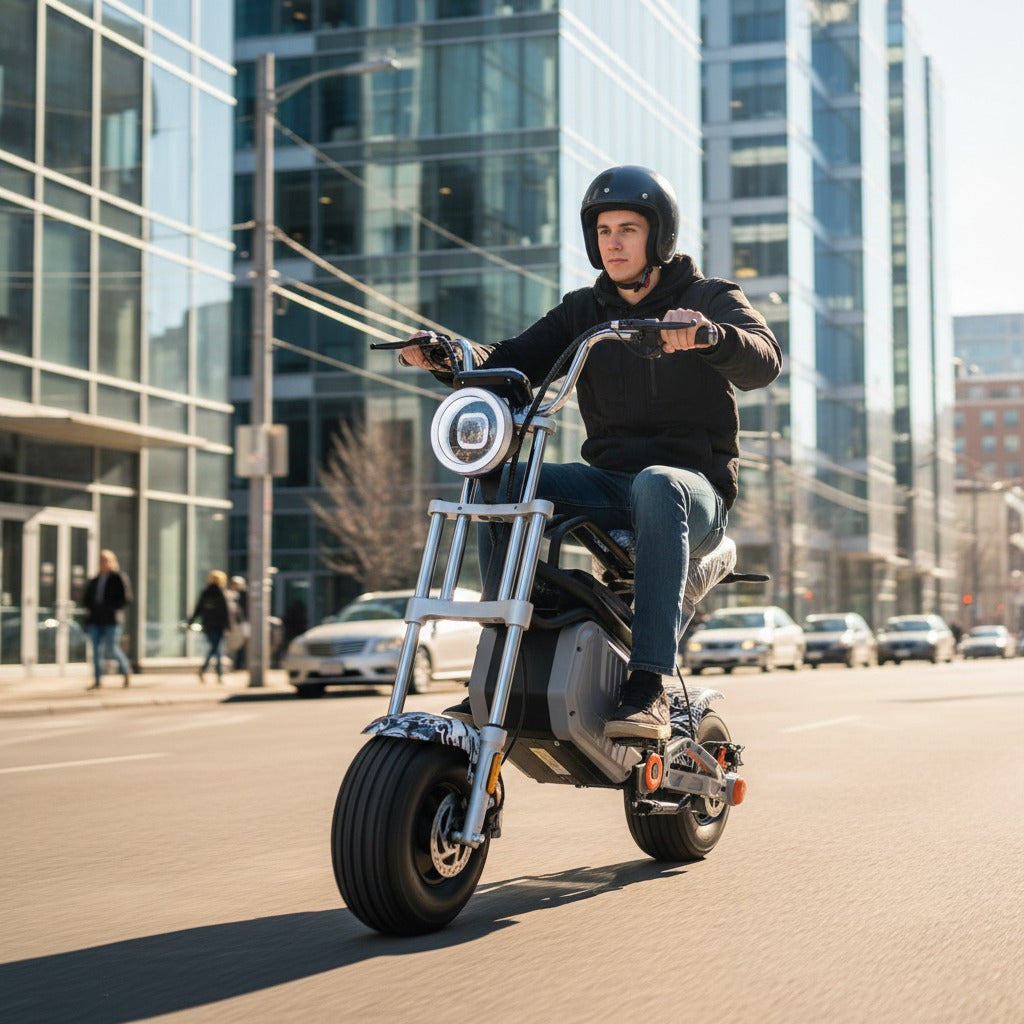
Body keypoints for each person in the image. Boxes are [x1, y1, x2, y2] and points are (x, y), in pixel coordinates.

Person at [400, 165, 781, 740]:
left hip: (692, 494)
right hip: (610, 487)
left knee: (658, 480)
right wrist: (449, 356)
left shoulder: (708, 297)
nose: (615, 242)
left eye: (628, 228)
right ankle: (502, 660)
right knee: (498, 481)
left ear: (659, 237)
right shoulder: (585, 310)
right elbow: (512, 359)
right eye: (604, 230)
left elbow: (763, 360)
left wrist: (709, 335)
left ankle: (648, 685)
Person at [81, 549, 134, 690]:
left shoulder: (118, 577)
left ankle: (126, 671)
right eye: (100, 560)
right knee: (96, 651)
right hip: (95, 620)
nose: (102, 563)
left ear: (111, 561)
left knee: (112, 648)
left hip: (111, 619)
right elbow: (86, 599)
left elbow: (126, 598)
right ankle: (98, 680)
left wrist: (111, 608)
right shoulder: (95, 579)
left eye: (105, 560)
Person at [189, 570, 234, 683]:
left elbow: (198, 608)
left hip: (208, 624)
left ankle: (209, 671)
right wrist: (228, 626)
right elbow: (225, 611)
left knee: (215, 649)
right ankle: (216, 673)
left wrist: (192, 621)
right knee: (216, 649)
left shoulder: (206, 592)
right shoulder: (221, 593)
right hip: (219, 625)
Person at [227, 576, 249, 670]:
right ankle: (235, 664)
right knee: (233, 644)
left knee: (242, 643)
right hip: (232, 623)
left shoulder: (244, 594)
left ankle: (239, 664)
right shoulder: (230, 594)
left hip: (242, 622)